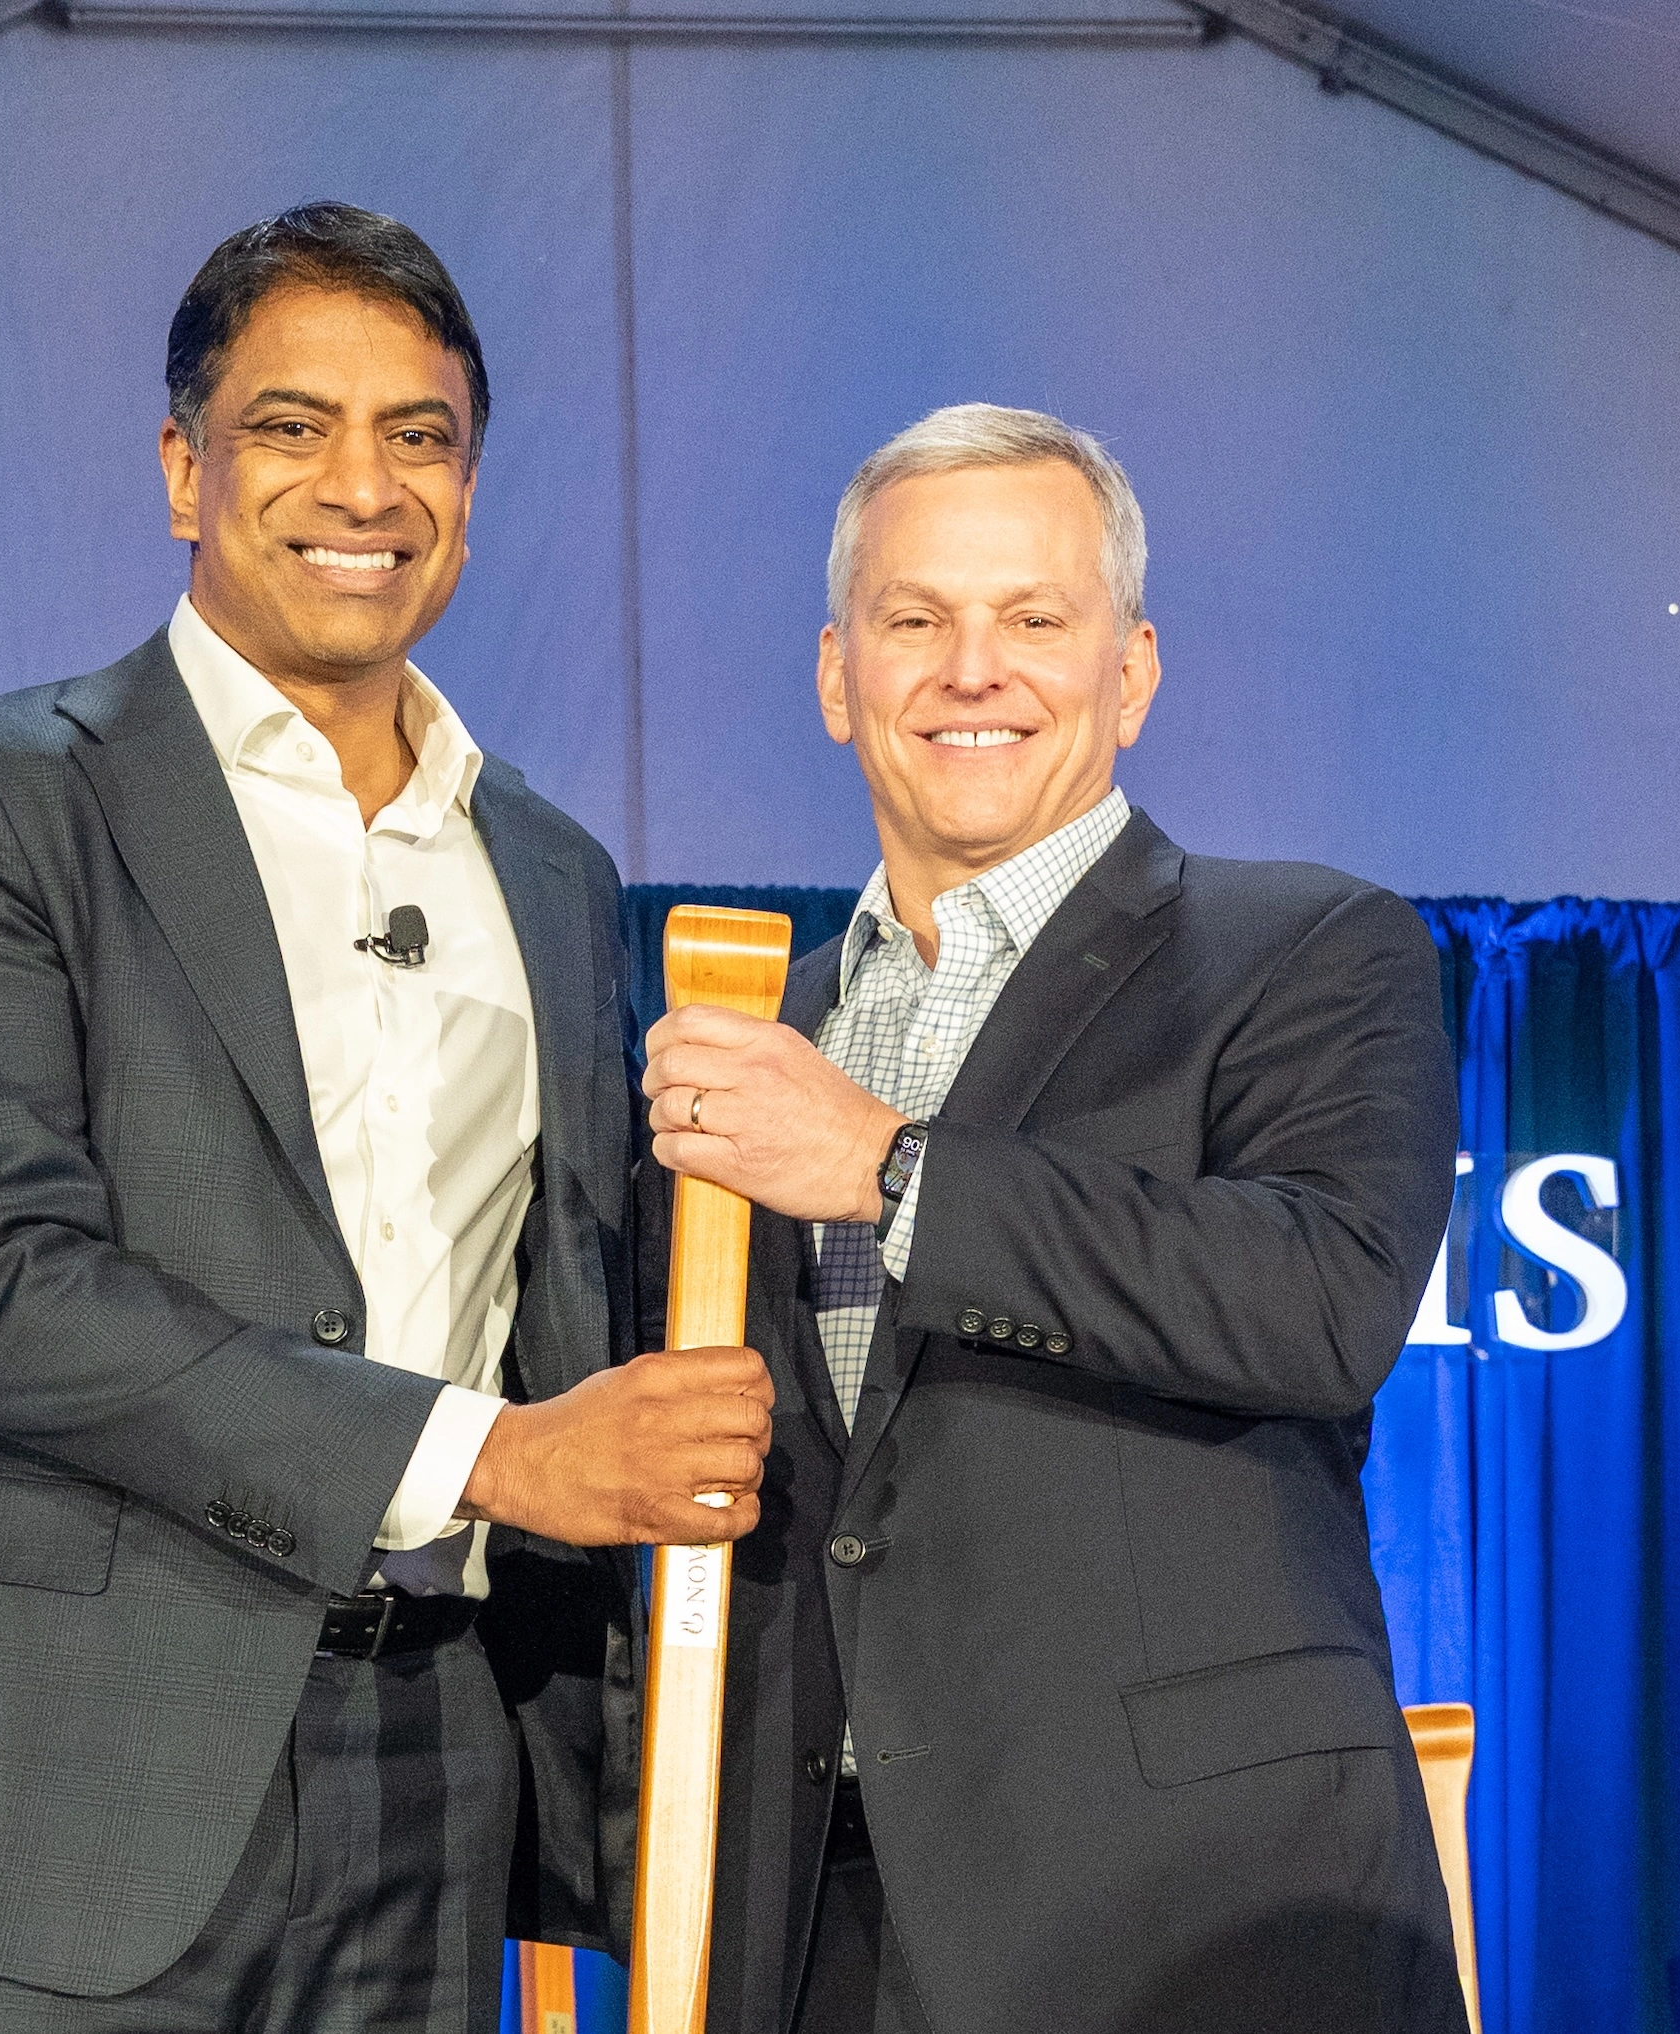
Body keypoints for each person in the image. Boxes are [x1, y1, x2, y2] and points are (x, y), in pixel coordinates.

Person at [0, 202, 773, 2034]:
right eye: (292, 426)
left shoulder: (547, 869)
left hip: (434, 1778)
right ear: (185, 469)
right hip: (51, 1790)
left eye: (421, 435)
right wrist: (490, 1456)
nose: (360, 484)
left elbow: (575, 1302)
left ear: (470, 489)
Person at [639, 404, 1466, 2033]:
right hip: (815, 1926)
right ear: (835, 676)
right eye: (916, 618)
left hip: (1191, 1914)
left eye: (1033, 618)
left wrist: (892, 1167)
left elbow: (1320, 1295)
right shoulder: (752, 1041)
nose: (972, 668)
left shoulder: (1307, 948)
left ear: (1133, 672)